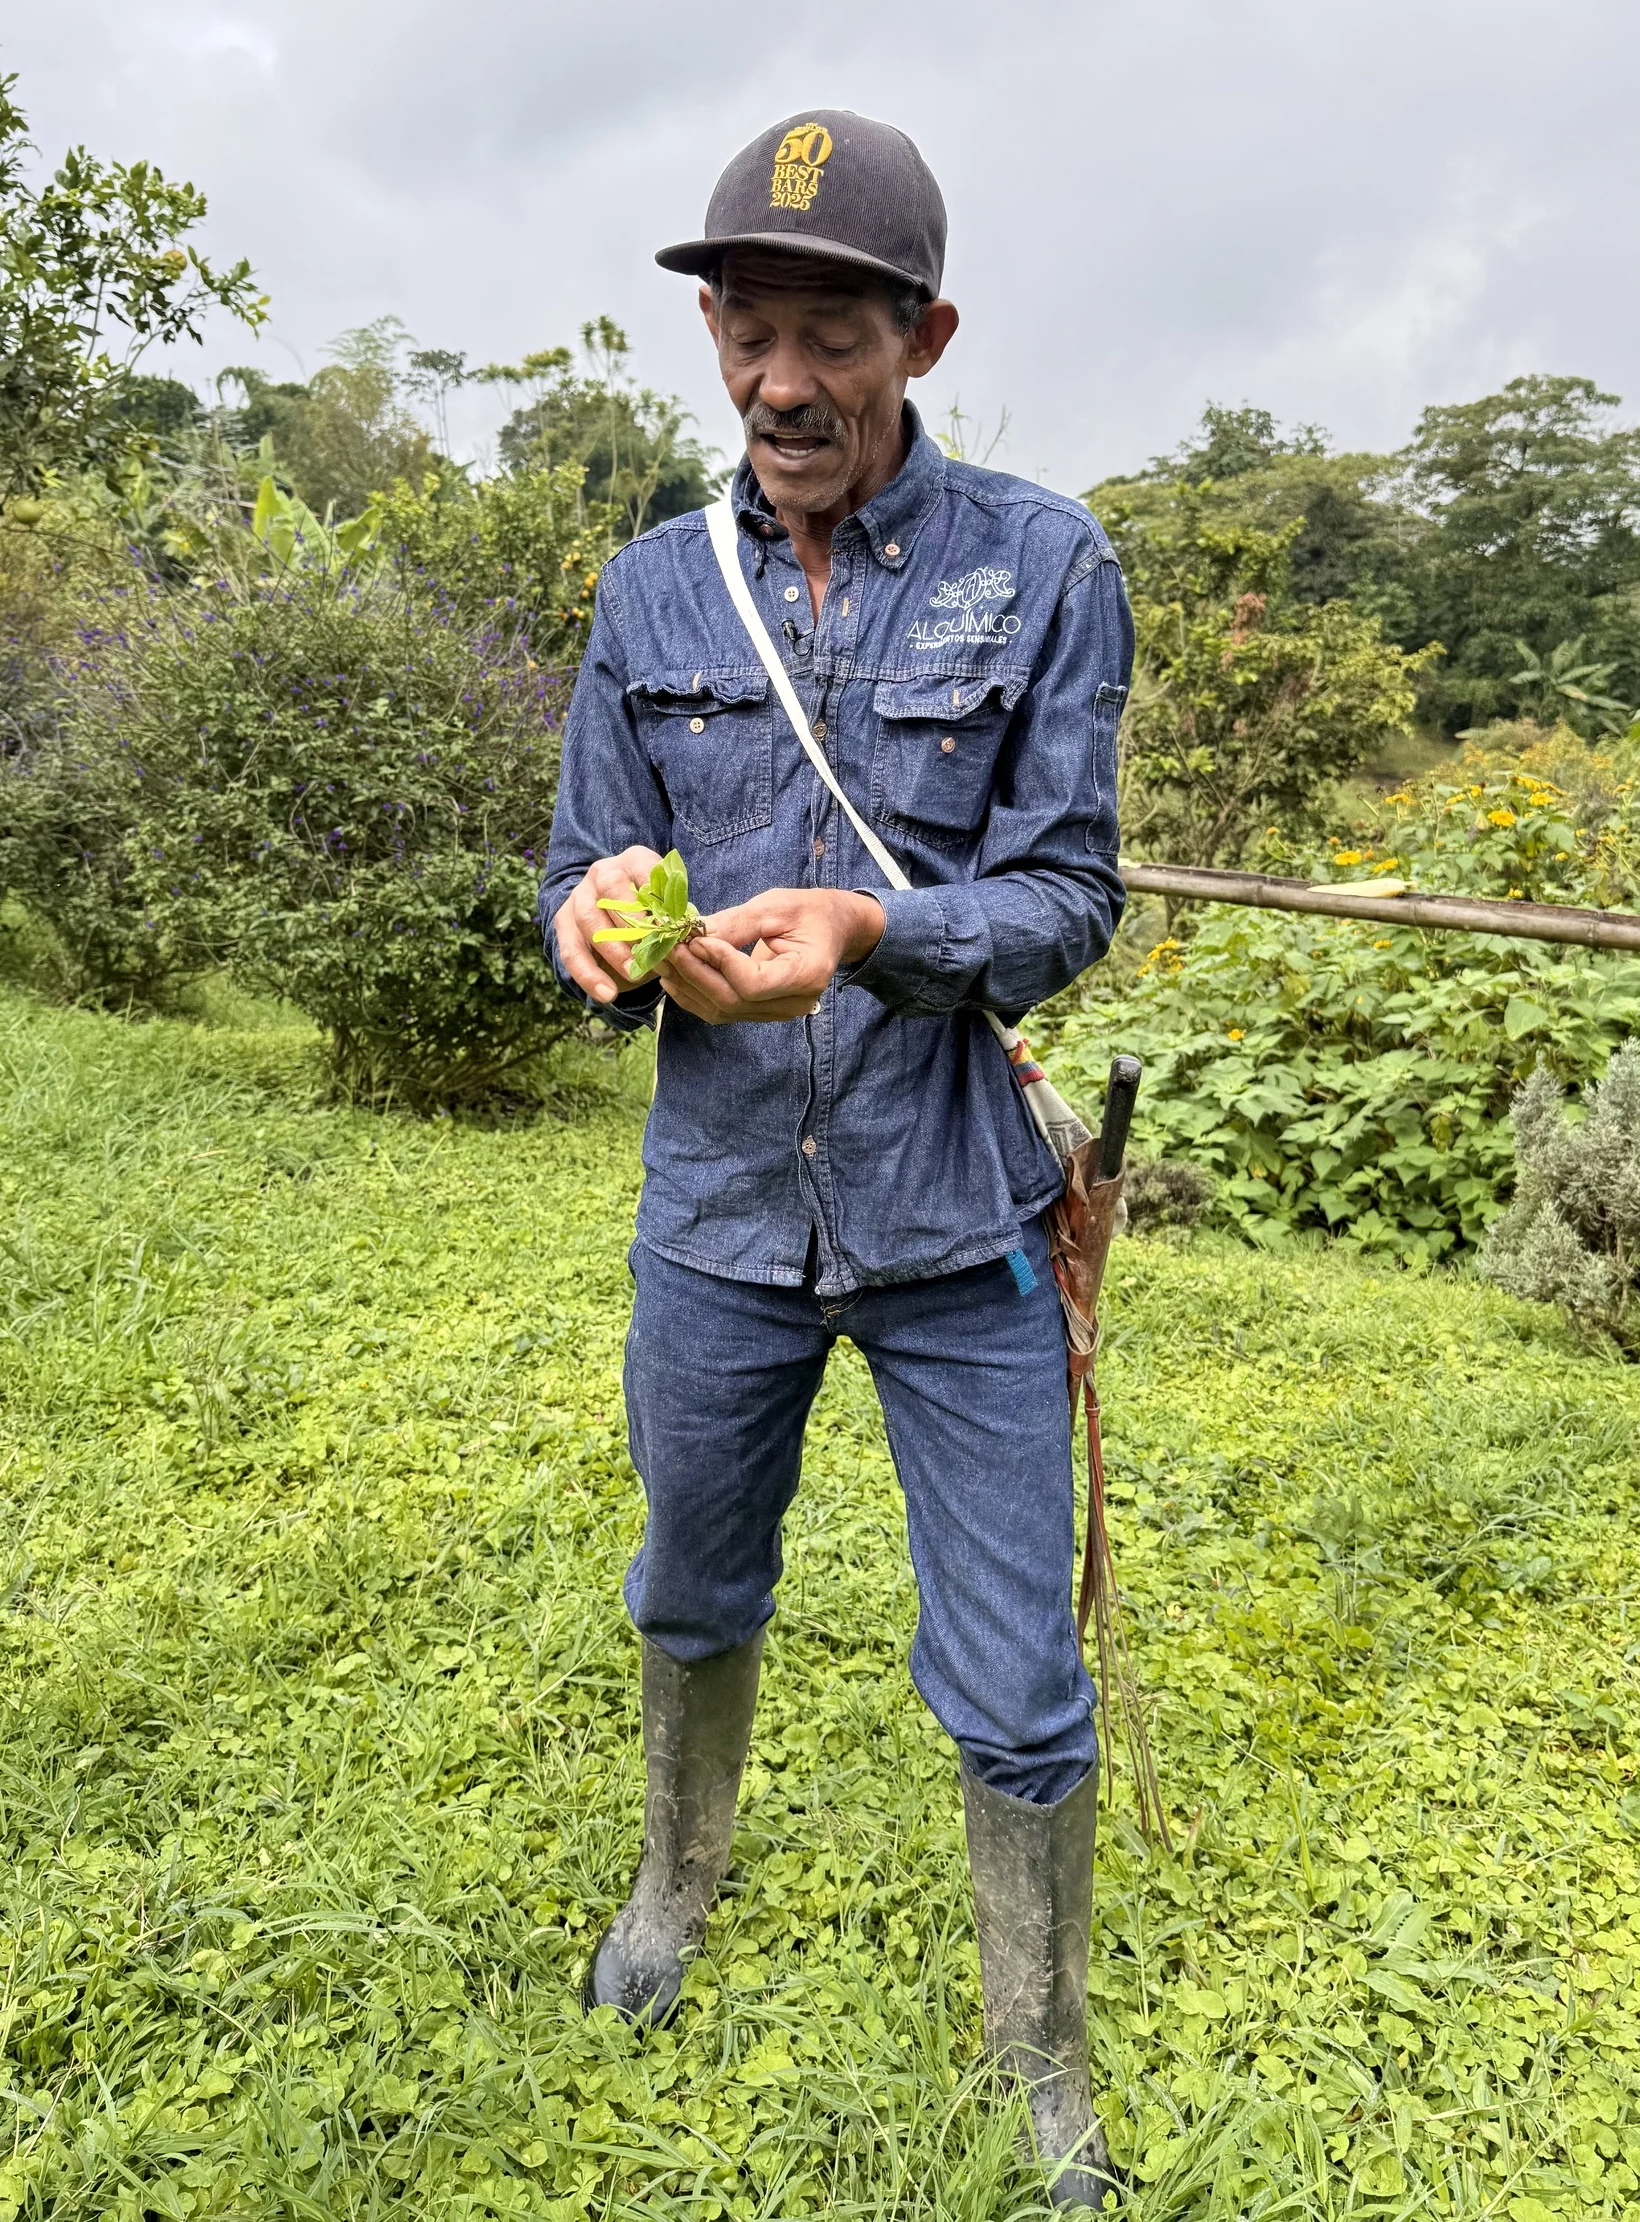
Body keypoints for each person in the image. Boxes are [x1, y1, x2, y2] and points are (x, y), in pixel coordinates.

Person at [539, 108, 1131, 2208]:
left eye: (826, 334)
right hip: (712, 1221)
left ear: (921, 335)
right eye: (742, 329)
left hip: (953, 1209)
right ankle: (673, 1882)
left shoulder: (1042, 565)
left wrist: (880, 931)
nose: (779, 380)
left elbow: (1066, 894)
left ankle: (1037, 2048)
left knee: (1018, 1670)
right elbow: (574, 881)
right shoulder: (643, 588)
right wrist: (603, 936)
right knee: (692, 1581)